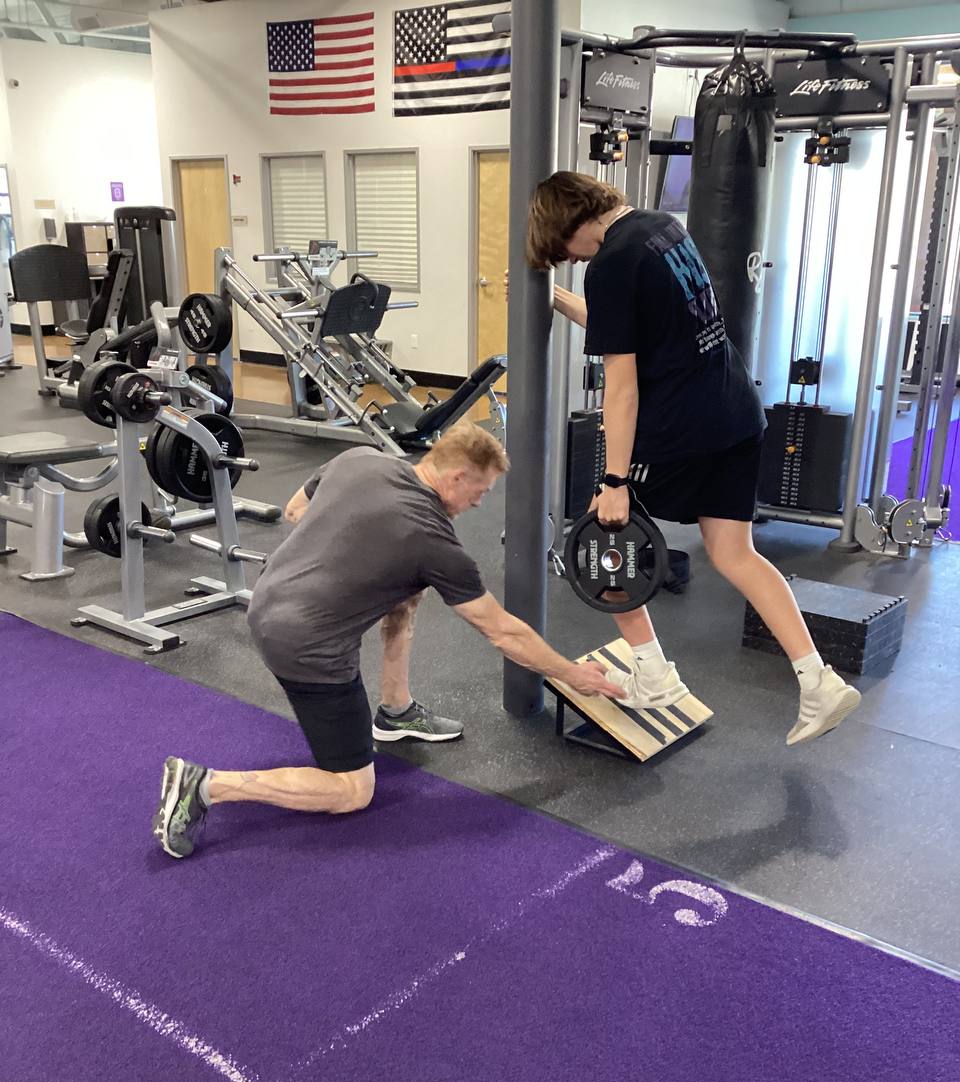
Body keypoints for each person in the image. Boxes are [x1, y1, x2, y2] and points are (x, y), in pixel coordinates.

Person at [153, 422, 623, 859]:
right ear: (458, 477)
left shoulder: (361, 458)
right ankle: (205, 786)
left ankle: (395, 711)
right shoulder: (433, 541)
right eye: (480, 492)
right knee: (352, 791)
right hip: (304, 645)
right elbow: (502, 631)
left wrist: (354, 559)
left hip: (268, 597)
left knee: (405, 596)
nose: (479, 503)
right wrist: (571, 674)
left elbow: (297, 511)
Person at [523, 170, 861, 747]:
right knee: (735, 553)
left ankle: (653, 675)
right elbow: (642, 331)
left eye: (565, 253)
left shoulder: (609, 264)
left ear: (571, 225)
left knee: (603, 536)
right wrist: (557, 300)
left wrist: (614, 480)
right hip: (735, 412)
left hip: (682, 430)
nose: (572, 261)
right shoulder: (660, 230)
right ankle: (818, 680)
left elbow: (622, 385)